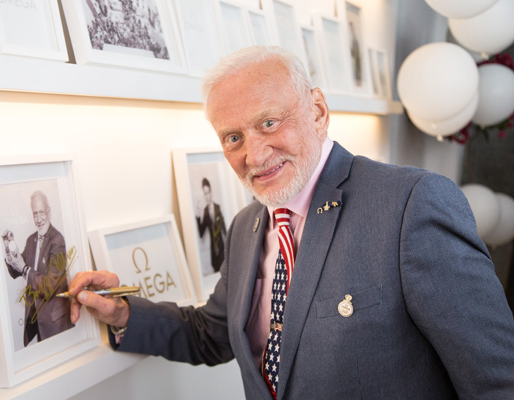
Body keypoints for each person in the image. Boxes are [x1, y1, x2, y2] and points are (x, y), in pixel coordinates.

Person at [68, 46, 514, 399]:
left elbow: (497, 379)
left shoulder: (412, 203)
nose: (254, 155)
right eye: (233, 137)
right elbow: (214, 334)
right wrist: (122, 312)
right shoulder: (246, 226)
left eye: (269, 122)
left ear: (317, 112)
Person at [3, 190, 74, 347]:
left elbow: (50, 286)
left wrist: (25, 269)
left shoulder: (58, 241)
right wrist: (9, 249)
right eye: (35, 214)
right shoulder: (31, 240)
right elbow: (16, 270)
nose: (38, 219)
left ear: (48, 212)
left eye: (41, 212)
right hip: (38, 322)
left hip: (55, 324)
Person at [195, 177, 227, 273]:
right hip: (213, 254)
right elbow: (201, 233)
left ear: (211, 192)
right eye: (205, 194)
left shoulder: (218, 207)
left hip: (223, 250)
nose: (207, 196)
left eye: (208, 192)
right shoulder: (205, 211)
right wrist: (198, 214)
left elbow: (224, 230)